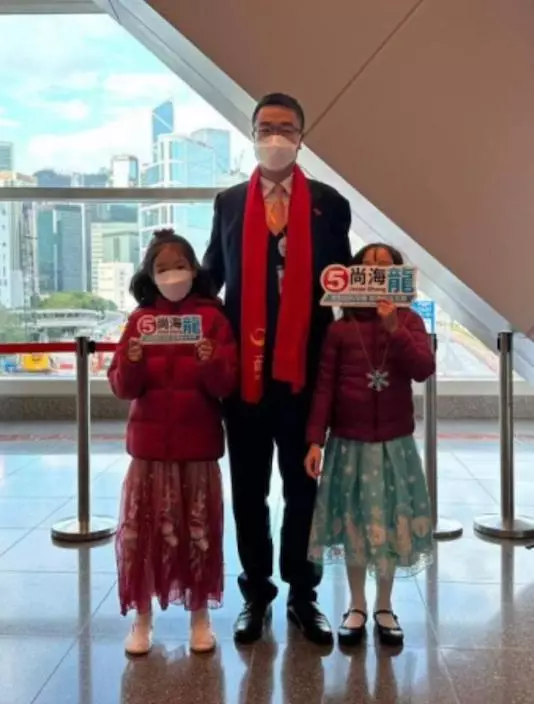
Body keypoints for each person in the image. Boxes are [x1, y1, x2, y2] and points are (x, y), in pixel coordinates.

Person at [203, 93, 352, 646]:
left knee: (303, 488)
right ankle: (257, 592)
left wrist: (384, 311)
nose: (275, 137)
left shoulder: (330, 205)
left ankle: (303, 593)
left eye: (285, 128)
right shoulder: (228, 203)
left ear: (301, 138)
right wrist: (164, 307)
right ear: (252, 134)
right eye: (265, 127)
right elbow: (212, 277)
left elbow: (341, 282)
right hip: (244, 378)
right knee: (248, 489)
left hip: (304, 375)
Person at [108, 228, 238, 656]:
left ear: (195, 269)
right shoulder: (141, 321)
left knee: (198, 535)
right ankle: (141, 620)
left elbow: (227, 384)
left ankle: (200, 618)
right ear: (150, 275)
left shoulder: (213, 319)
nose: (172, 275)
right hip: (149, 449)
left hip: (198, 446)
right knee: (143, 537)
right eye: (162, 268)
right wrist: (131, 363)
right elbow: (123, 387)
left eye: (180, 265)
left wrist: (211, 360)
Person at [304, 243, 435, 648]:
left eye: (385, 267)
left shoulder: (409, 320)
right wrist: (315, 440)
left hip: (394, 444)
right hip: (349, 444)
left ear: (397, 275)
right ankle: (356, 605)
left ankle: (384, 606)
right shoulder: (340, 328)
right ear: (355, 274)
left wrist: (395, 328)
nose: (376, 273)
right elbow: (324, 387)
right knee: (355, 525)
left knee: (390, 524)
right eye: (368, 266)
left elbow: (423, 368)